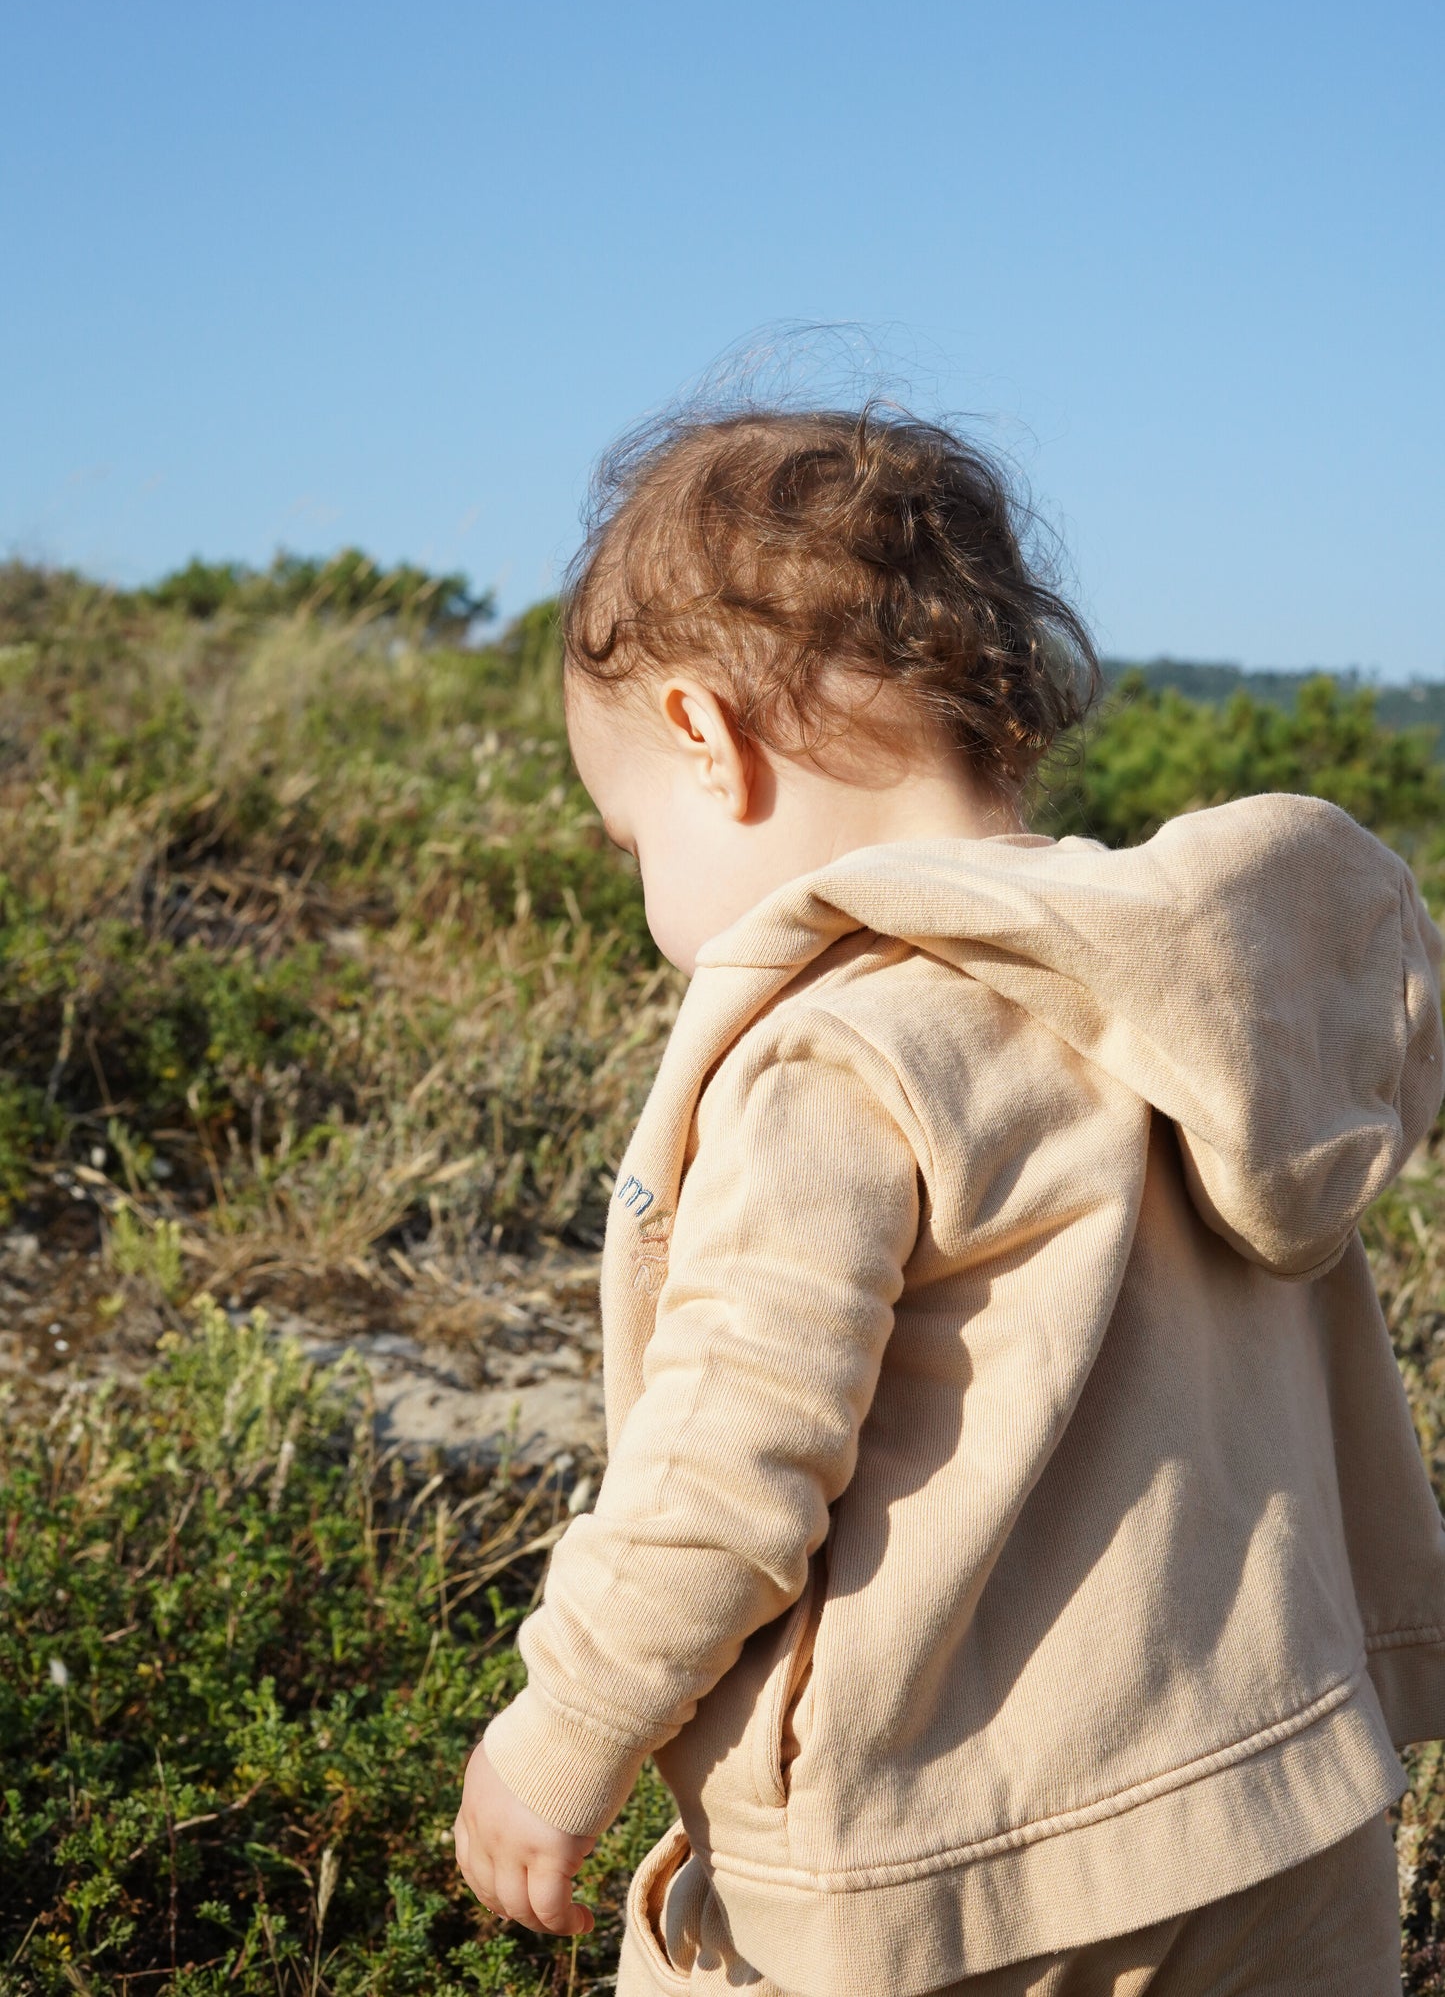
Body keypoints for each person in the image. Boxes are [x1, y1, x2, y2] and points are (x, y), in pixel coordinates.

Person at [454, 404, 1445, 1995]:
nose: (645, 897)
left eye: (626, 835)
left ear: (707, 739)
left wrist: (558, 1728)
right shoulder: (1193, 994)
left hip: (946, 1871)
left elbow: (732, 1468)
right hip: (1286, 1803)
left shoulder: (840, 1051)